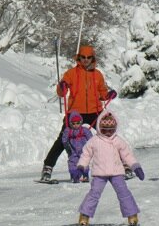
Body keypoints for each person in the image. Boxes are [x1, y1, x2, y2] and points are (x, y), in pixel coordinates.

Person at [40, 45, 117, 182]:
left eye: (89, 57)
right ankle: (48, 167)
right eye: (83, 57)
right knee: (62, 140)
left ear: (92, 58)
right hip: (76, 113)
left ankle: (120, 165)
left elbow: (103, 93)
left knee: (108, 136)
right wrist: (62, 87)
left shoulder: (97, 74)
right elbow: (60, 92)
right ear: (79, 58)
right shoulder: (71, 73)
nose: (86, 60)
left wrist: (109, 94)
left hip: (95, 110)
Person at [75, 110, 145, 226]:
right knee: (93, 194)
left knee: (124, 193)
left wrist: (135, 166)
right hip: (99, 173)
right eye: (104, 130)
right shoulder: (94, 141)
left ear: (115, 128)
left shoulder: (118, 140)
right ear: (99, 127)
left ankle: (132, 216)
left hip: (116, 173)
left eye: (111, 130)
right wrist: (81, 166)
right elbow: (86, 154)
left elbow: (127, 155)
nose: (108, 133)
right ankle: (84, 218)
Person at [61, 110, 93, 182]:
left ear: (81, 122)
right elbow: (64, 139)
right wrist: (67, 147)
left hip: (83, 150)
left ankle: (85, 175)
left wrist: (90, 147)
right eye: (73, 123)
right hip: (73, 150)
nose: (76, 125)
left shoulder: (84, 130)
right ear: (70, 123)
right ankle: (73, 175)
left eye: (78, 123)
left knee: (84, 162)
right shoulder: (68, 130)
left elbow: (91, 138)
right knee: (72, 162)